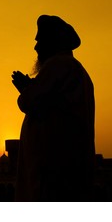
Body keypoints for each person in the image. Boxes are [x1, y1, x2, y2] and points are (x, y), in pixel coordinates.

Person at [12, 15, 95, 201]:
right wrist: (30, 87)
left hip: (52, 173)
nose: (36, 47)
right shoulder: (74, 69)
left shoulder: (58, 65)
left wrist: (25, 90)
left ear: (52, 42)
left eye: (39, 41)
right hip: (67, 170)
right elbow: (50, 104)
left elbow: (29, 102)